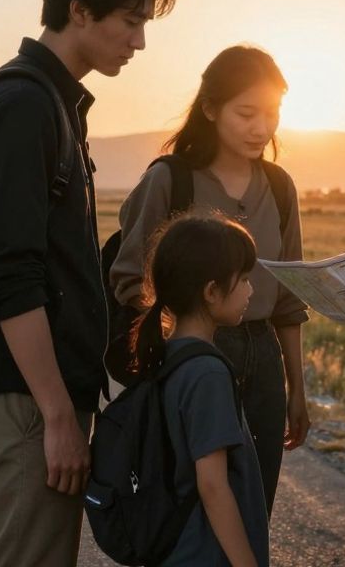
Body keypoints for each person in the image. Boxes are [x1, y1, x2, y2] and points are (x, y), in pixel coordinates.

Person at [0, 0, 181, 567]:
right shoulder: (24, 107)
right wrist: (55, 415)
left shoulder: (53, 102)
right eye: (130, 21)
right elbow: (8, 274)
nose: (139, 41)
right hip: (24, 399)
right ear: (79, 9)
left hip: (35, 395)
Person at [111, 45, 310, 514]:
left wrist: (296, 389)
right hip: (187, 358)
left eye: (272, 113)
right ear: (210, 109)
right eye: (247, 113)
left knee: (254, 507)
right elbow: (130, 280)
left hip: (263, 358)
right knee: (188, 511)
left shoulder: (279, 187)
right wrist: (181, 346)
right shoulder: (169, 180)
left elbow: (289, 300)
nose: (261, 127)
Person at [129, 213, 271, 567]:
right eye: (243, 280)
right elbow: (212, 485)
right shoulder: (207, 374)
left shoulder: (168, 356)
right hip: (205, 554)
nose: (251, 290)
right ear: (211, 292)